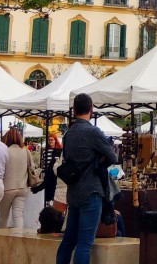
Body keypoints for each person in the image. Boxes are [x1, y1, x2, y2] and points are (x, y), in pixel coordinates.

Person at [56, 93, 118, 264]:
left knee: (69, 240)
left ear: (74, 110)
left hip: (74, 191)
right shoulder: (93, 131)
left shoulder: (68, 134)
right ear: (92, 109)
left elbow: (68, 158)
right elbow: (113, 158)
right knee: (85, 242)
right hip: (92, 190)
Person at [0, 128, 33, 229]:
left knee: (3, 217)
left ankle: (1, 240)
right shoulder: (26, 151)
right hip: (22, 188)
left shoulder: (5, 151)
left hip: (7, 188)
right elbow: (32, 168)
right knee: (18, 216)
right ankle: (17, 238)